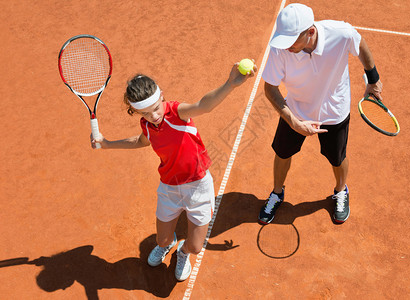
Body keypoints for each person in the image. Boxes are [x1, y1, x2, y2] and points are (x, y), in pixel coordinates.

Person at [91, 61, 257, 281]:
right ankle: (168, 243)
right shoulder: (147, 125)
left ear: (162, 97)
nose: (154, 116)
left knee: (196, 247)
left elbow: (204, 105)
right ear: (136, 112)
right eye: (145, 113)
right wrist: (107, 143)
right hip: (169, 188)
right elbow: (141, 141)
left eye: (156, 108)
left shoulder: (178, 112)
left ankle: (183, 252)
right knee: (161, 240)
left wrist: (230, 84)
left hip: (198, 186)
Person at [258, 3, 382, 224]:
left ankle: (341, 191)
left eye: (291, 41)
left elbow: (359, 43)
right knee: (282, 153)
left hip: (334, 110)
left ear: (311, 32)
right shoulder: (281, 48)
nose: (287, 46)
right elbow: (270, 88)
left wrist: (372, 78)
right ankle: (277, 193)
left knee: (337, 157)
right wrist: (294, 122)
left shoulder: (340, 34)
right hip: (296, 109)